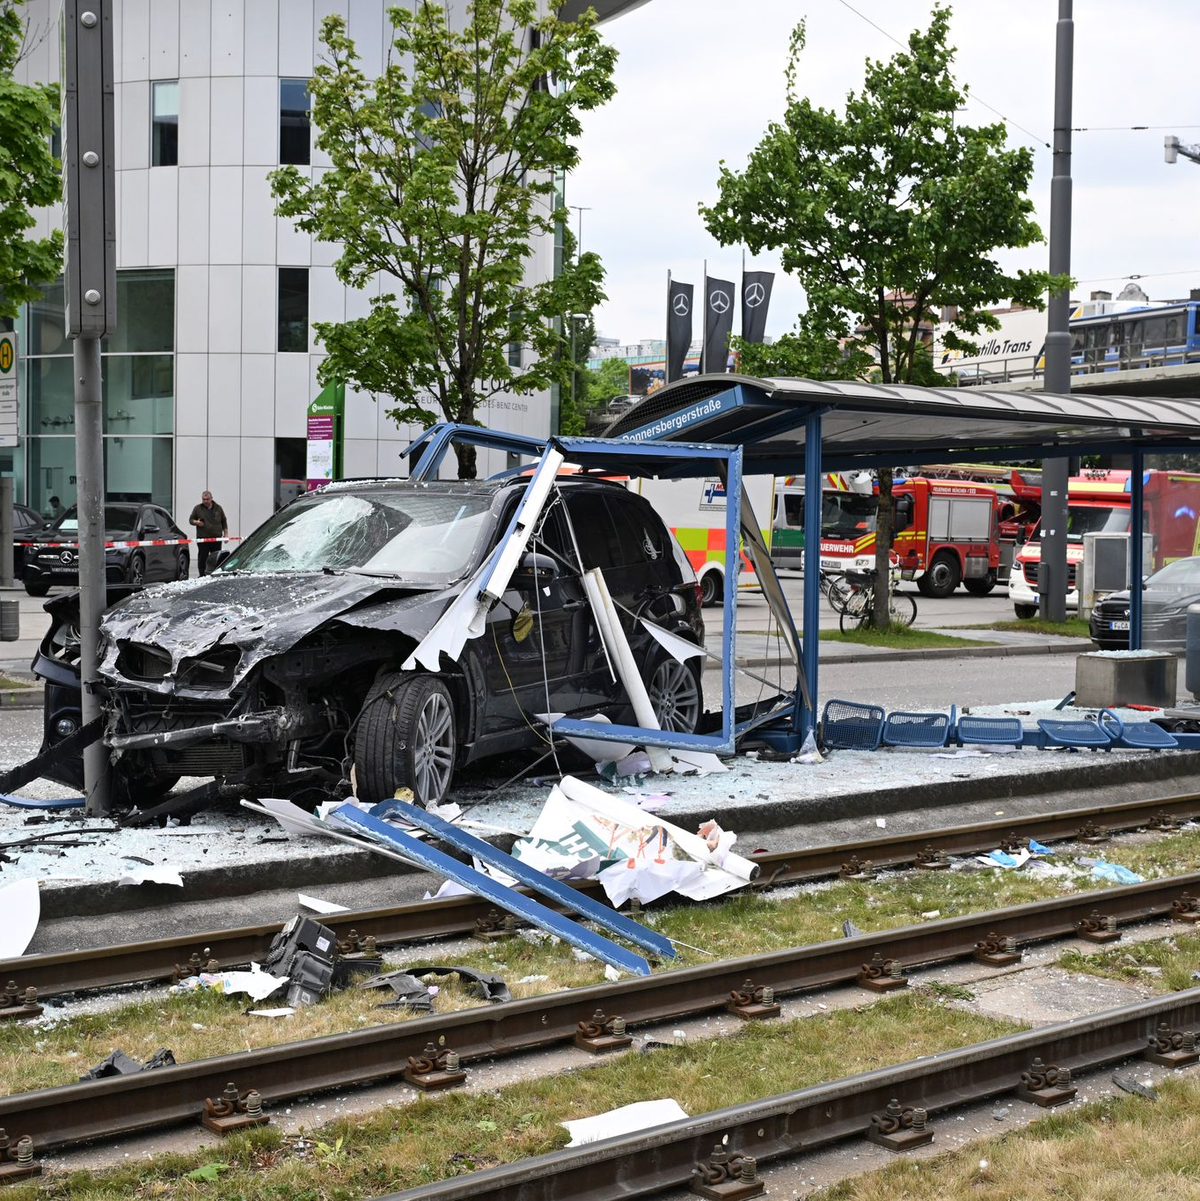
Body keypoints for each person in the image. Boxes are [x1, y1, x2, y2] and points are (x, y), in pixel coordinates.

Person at [189, 490, 228, 575]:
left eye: (207, 499)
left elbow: (224, 521)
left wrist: (226, 534)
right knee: (202, 558)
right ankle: (202, 575)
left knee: (217, 558)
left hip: (216, 539)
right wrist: (196, 522)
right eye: (203, 499)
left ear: (211, 499)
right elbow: (191, 520)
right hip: (203, 539)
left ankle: (216, 574)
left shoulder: (218, 508)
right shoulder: (198, 508)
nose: (205, 501)